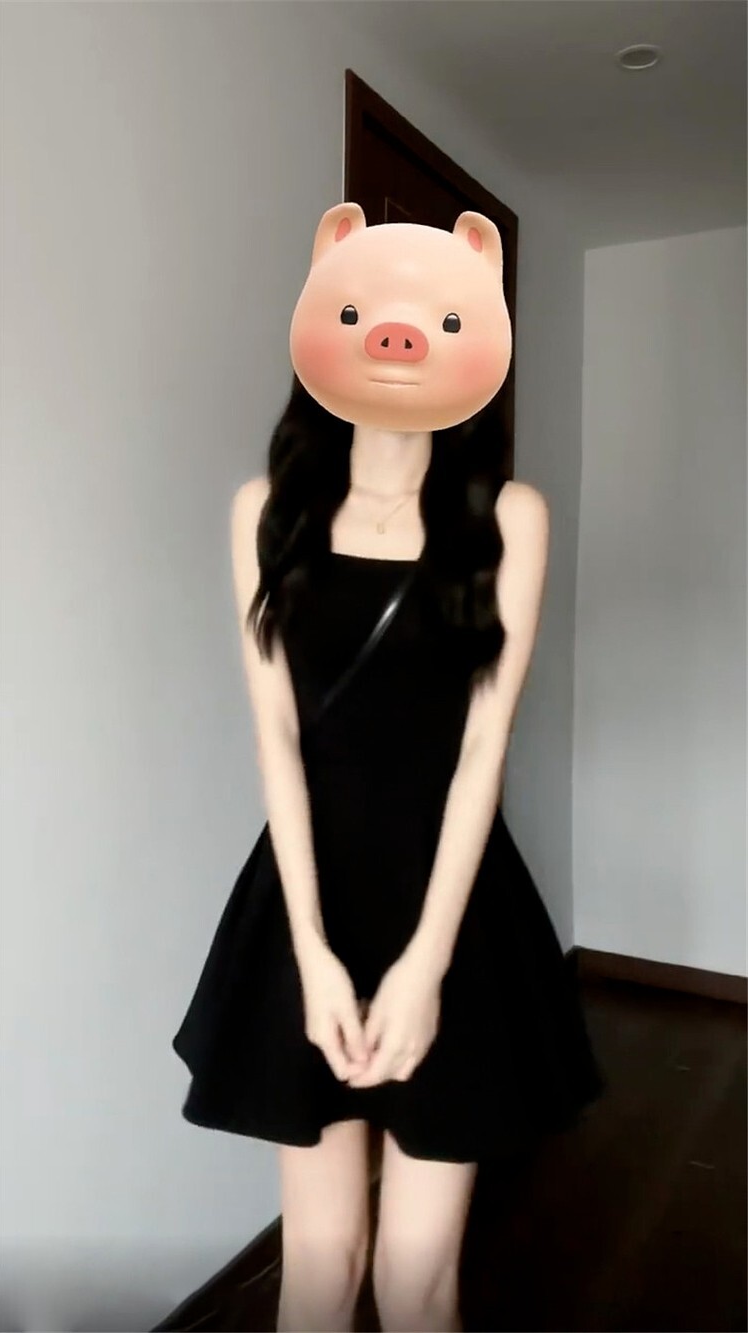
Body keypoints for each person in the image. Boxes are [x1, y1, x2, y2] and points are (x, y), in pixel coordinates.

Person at [172, 203, 606, 1333]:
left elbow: (482, 749)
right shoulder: (264, 513)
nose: (396, 337)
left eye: (437, 316)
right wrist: (313, 952)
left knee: (416, 1282)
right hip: (305, 901)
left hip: (452, 910)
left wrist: (425, 964)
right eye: (365, 308)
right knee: (322, 1264)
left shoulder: (510, 518)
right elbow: (277, 737)